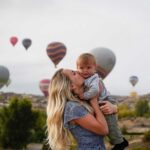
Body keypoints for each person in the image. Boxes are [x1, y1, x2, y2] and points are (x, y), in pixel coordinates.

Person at [46, 68, 117, 150]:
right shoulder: (73, 108)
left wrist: (114, 108)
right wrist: (94, 103)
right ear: (71, 86)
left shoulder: (83, 100)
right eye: (73, 73)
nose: (78, 71)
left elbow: (108, 115)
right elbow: (103, 130)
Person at [76, 53, 129, 150]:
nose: (85, 70)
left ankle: (120, 142)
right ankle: (118, 140)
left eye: (88, 67)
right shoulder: (80, 78)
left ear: (94, 68)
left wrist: (84, 96)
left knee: (110, 122)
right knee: (104, 123)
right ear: (77, 68)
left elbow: (95, 90)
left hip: (105, 100)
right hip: (99, 102)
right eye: (81, 68)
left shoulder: (94, 78)